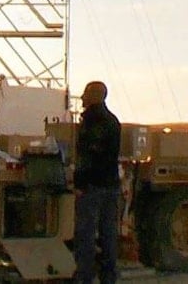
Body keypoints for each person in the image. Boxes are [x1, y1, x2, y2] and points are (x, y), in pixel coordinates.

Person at [72, 80, 121, 284]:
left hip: (92, 187)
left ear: (93, 96)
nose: (82, 97)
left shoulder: (92, 122)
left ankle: (85, 276)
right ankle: (108, 276)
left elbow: (87, 157)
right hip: (111, 185)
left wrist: (79, 184)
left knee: (86, 234)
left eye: (86, 94)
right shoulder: (113, 121)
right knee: (109, 234)